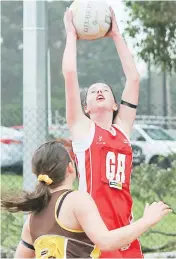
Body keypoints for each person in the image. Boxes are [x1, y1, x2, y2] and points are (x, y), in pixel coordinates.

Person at [62, 7, 147, 258]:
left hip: (125, 231)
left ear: (114, 104)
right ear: (86, 107)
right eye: (92, 91)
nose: (99, 91)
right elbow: (69, 75)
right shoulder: (83, 131)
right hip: (95, 233)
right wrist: (71, 35)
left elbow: (133, 79)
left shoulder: (122, 130)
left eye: (105, 90)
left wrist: (117, 36)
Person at [1, 141, 172, 258]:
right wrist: (147, 220)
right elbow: (106, 242)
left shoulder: (31, 219)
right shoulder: (76, 200)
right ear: (70, 168)